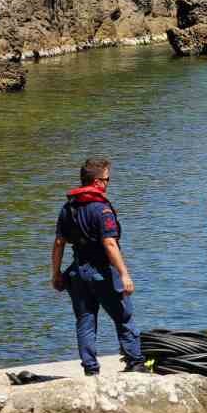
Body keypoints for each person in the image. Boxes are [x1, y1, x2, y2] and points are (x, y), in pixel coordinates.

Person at [51, 157, 144, 375]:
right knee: (124, 317)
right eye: (107, 179)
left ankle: (91, 370)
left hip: (77, 272)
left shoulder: (67, 208)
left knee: (85, 321)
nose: (108, 183)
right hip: (102, 272)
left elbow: (58, 243)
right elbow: (110, 243)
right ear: (96, 182)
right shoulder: (101, 209)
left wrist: (55, 273)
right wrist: (124, 275)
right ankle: (135, 363)